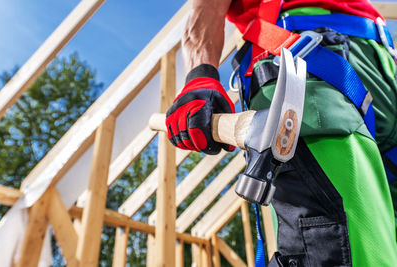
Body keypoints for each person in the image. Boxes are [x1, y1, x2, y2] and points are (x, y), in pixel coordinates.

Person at [165, 0, 397, 266]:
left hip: (382, 63)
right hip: (303, 57)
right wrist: (200, 74)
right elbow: (207, 7)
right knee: (352, 245)